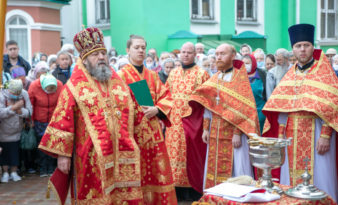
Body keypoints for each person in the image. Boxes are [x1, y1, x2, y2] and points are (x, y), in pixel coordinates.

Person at [38, 27, 177, 204]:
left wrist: (150, 139)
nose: (102, 57)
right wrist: (63, 156)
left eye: (103, 53)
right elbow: (62, 122)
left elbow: (137, 114)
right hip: (90, 159)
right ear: (85, 59)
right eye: (96, 54)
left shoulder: (119, 84)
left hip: (122, 155)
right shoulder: (74, 87)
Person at [263, 24, 338, 204]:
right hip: (291, 138)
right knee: (290, 180)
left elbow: (335, 107)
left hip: (317, 135)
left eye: (306, 45)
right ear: (293, 50)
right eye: (298, 46)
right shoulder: (290, 75)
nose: (302, 49)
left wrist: (325, 135)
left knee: (321, 177)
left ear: (312, 47)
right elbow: (281, 108)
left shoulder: (324, 73)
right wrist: (281, 135)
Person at [185, 43, 259, 190]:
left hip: (234, 135)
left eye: (222, 54)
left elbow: (244, 110)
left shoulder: (239, 78)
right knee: (214, 168)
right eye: (217, 54)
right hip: (215, 132)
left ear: (233, 56)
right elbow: (207, 105)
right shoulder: (215, 77)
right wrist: (206, 129)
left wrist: (238, 133)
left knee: (236, 170)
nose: (218, 57)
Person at [117, 35, 177, 204]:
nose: (141, 50)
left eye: (143, 47)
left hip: (153, 134)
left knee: (157, 173)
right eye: (137, 47)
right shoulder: (120, 76)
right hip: (132, 135)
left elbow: (166, 96)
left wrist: (157, 109)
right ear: (128, 50)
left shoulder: (153, 75)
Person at [165, 42, 210, 201]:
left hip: (192, 124)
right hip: (173, 125)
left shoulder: (202, 74)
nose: (185, 55)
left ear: (194, 55)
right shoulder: (173, 74)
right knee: (172, 157)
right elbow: (166, 97)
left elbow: (206, 103)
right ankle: (175, 192)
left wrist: (205, 127)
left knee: (191, 156)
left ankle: (193, 191)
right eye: (183, 52)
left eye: (188, 52)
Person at [0, 79, 32, 183]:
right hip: (3, 129)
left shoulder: (24, 95)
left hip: (17, 128)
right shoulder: (1, 95)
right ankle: (5, 172)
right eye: (13, 93)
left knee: (15, 151)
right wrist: (13, 108)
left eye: (17, 93)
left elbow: (29, 111)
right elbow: (0, 113)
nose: (15, 95)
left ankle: (14, 172)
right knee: (4, 151)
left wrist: (20, 111)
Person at [28, 73, 63, 177]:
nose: (50, 92)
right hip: (40, 121)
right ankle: (43, 168)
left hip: (54, 120)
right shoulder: (34, 86)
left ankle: (52, 168)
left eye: (53, 90)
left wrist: (60, 119)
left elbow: (61, 103)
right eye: (48, 89)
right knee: (42, 144)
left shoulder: (60, 85)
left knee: (52, 144)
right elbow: (31, 105)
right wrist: (31, 120)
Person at [242, 54, 267, 133]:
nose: (246, 66)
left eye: (248, 63)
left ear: (253, 63)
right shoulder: (240, 76)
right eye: (244, 63)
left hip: (261, 112)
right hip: (245, 113)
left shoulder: (262, 74)